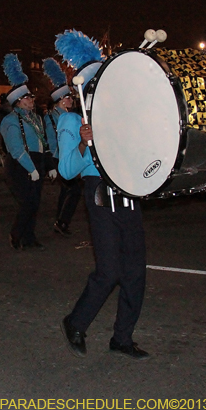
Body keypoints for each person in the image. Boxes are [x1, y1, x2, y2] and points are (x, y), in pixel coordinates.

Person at [54, 29, 148, 359]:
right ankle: (75, 322)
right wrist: (83, 141)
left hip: (126, 190)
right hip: (99, 192)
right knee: (109, 270)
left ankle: (122, 337)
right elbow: (66, 170)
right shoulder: (70, 120)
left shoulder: (119, 117)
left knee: (136, 271)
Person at [0, 53, 46, 250]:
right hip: (20, 164)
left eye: (31, 97)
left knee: (34, 203)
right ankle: (17, 234)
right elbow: (16, 148)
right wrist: (30, 168)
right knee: (27, 202)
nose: (31, 100)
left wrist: (47, 165)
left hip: (36, 160)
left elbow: (42, 142)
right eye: (28, 97)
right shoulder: (10, 120)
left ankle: (29, 237)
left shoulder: (35, 118)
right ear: (18, 101)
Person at [42, 57, 82, 235]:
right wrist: (52, 164)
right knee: (72, 189)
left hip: (71, 155)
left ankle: (61, 219)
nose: (71, 100)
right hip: (60, 157)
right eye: (67, 97)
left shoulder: (70, 115)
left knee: (68, 190)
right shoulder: (51, 117)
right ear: (60, 100)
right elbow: (51, 140)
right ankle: (62, 221)